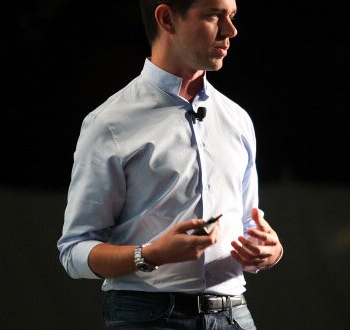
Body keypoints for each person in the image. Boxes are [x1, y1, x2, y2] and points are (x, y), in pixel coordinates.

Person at [57, 0, 283, 329]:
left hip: (235, 312)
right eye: (214, 15)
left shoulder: (237, 120)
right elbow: (73, 251)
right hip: (148, 316)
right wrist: (150, 254)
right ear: (167, 19)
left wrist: (269, 250)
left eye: (231, 17)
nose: (230, 31)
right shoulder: (110, 123)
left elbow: (250, 230)